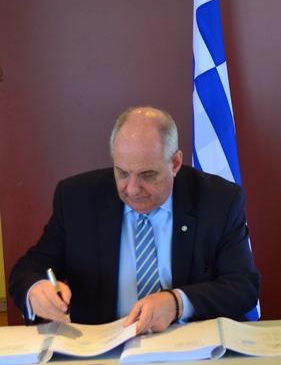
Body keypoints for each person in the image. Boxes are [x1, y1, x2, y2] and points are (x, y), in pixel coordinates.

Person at [8, 107, 261, 333]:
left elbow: (243, 286)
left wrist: (177, 302)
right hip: (103, 351)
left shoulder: (219, 201)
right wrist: (36, 289)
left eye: (147, 175)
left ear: (175, 163)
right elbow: (29, 269)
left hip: (191, 348)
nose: (132, 189)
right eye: (122, 173)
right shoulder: (77, 199)